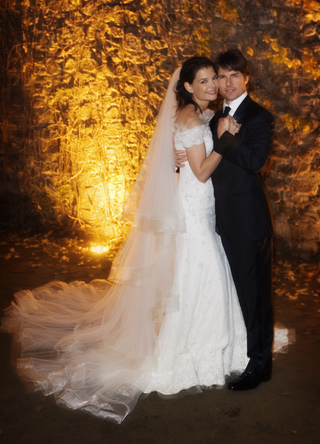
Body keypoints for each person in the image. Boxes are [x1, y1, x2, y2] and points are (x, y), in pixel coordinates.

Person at [1, 57, 248, 424]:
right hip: (194, 203)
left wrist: (211, 131)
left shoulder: (193, 115)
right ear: (187, 87)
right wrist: (224, 139)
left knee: (198, 268)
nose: (213, 85)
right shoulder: (191, 117)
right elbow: (201, 170)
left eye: (214, 78)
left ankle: (213, 345)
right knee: (203, 267)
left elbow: (179, 155)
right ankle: (192, 350)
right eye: (204, 80)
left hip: (198, 203)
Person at [175, 49, 275, 391]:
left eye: (234, 75)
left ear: (246, 78)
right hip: (217, 219)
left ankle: (260, 365)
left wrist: (225, 138)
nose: (225, 83)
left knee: (254, 296)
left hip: (247, 222)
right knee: (231, 292)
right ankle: (238, 349)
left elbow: (254, 161)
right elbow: (195, 154)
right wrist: (180, 158)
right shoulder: (212, 114)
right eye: (221, 76)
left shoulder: (259, 117)